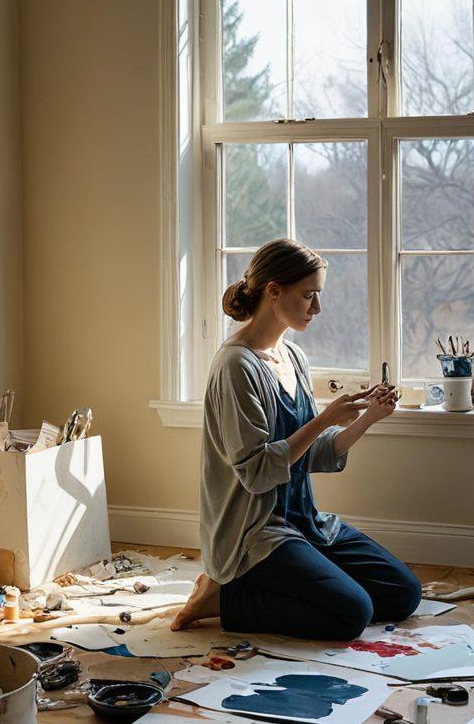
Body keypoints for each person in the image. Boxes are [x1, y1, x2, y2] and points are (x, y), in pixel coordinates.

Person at [171, 237, 421, 640]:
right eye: (308, 296)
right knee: (352, 614)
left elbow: (312, 454)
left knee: (403, 594)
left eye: (317, 296)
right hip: (255, 533)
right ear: (273, 291)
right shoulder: (236, 366)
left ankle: (296, 577)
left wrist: (368, 419)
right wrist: (323, 419)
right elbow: (256, 472)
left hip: (305, 521)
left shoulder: (294, 357)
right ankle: (224, 598)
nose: (316, 308)